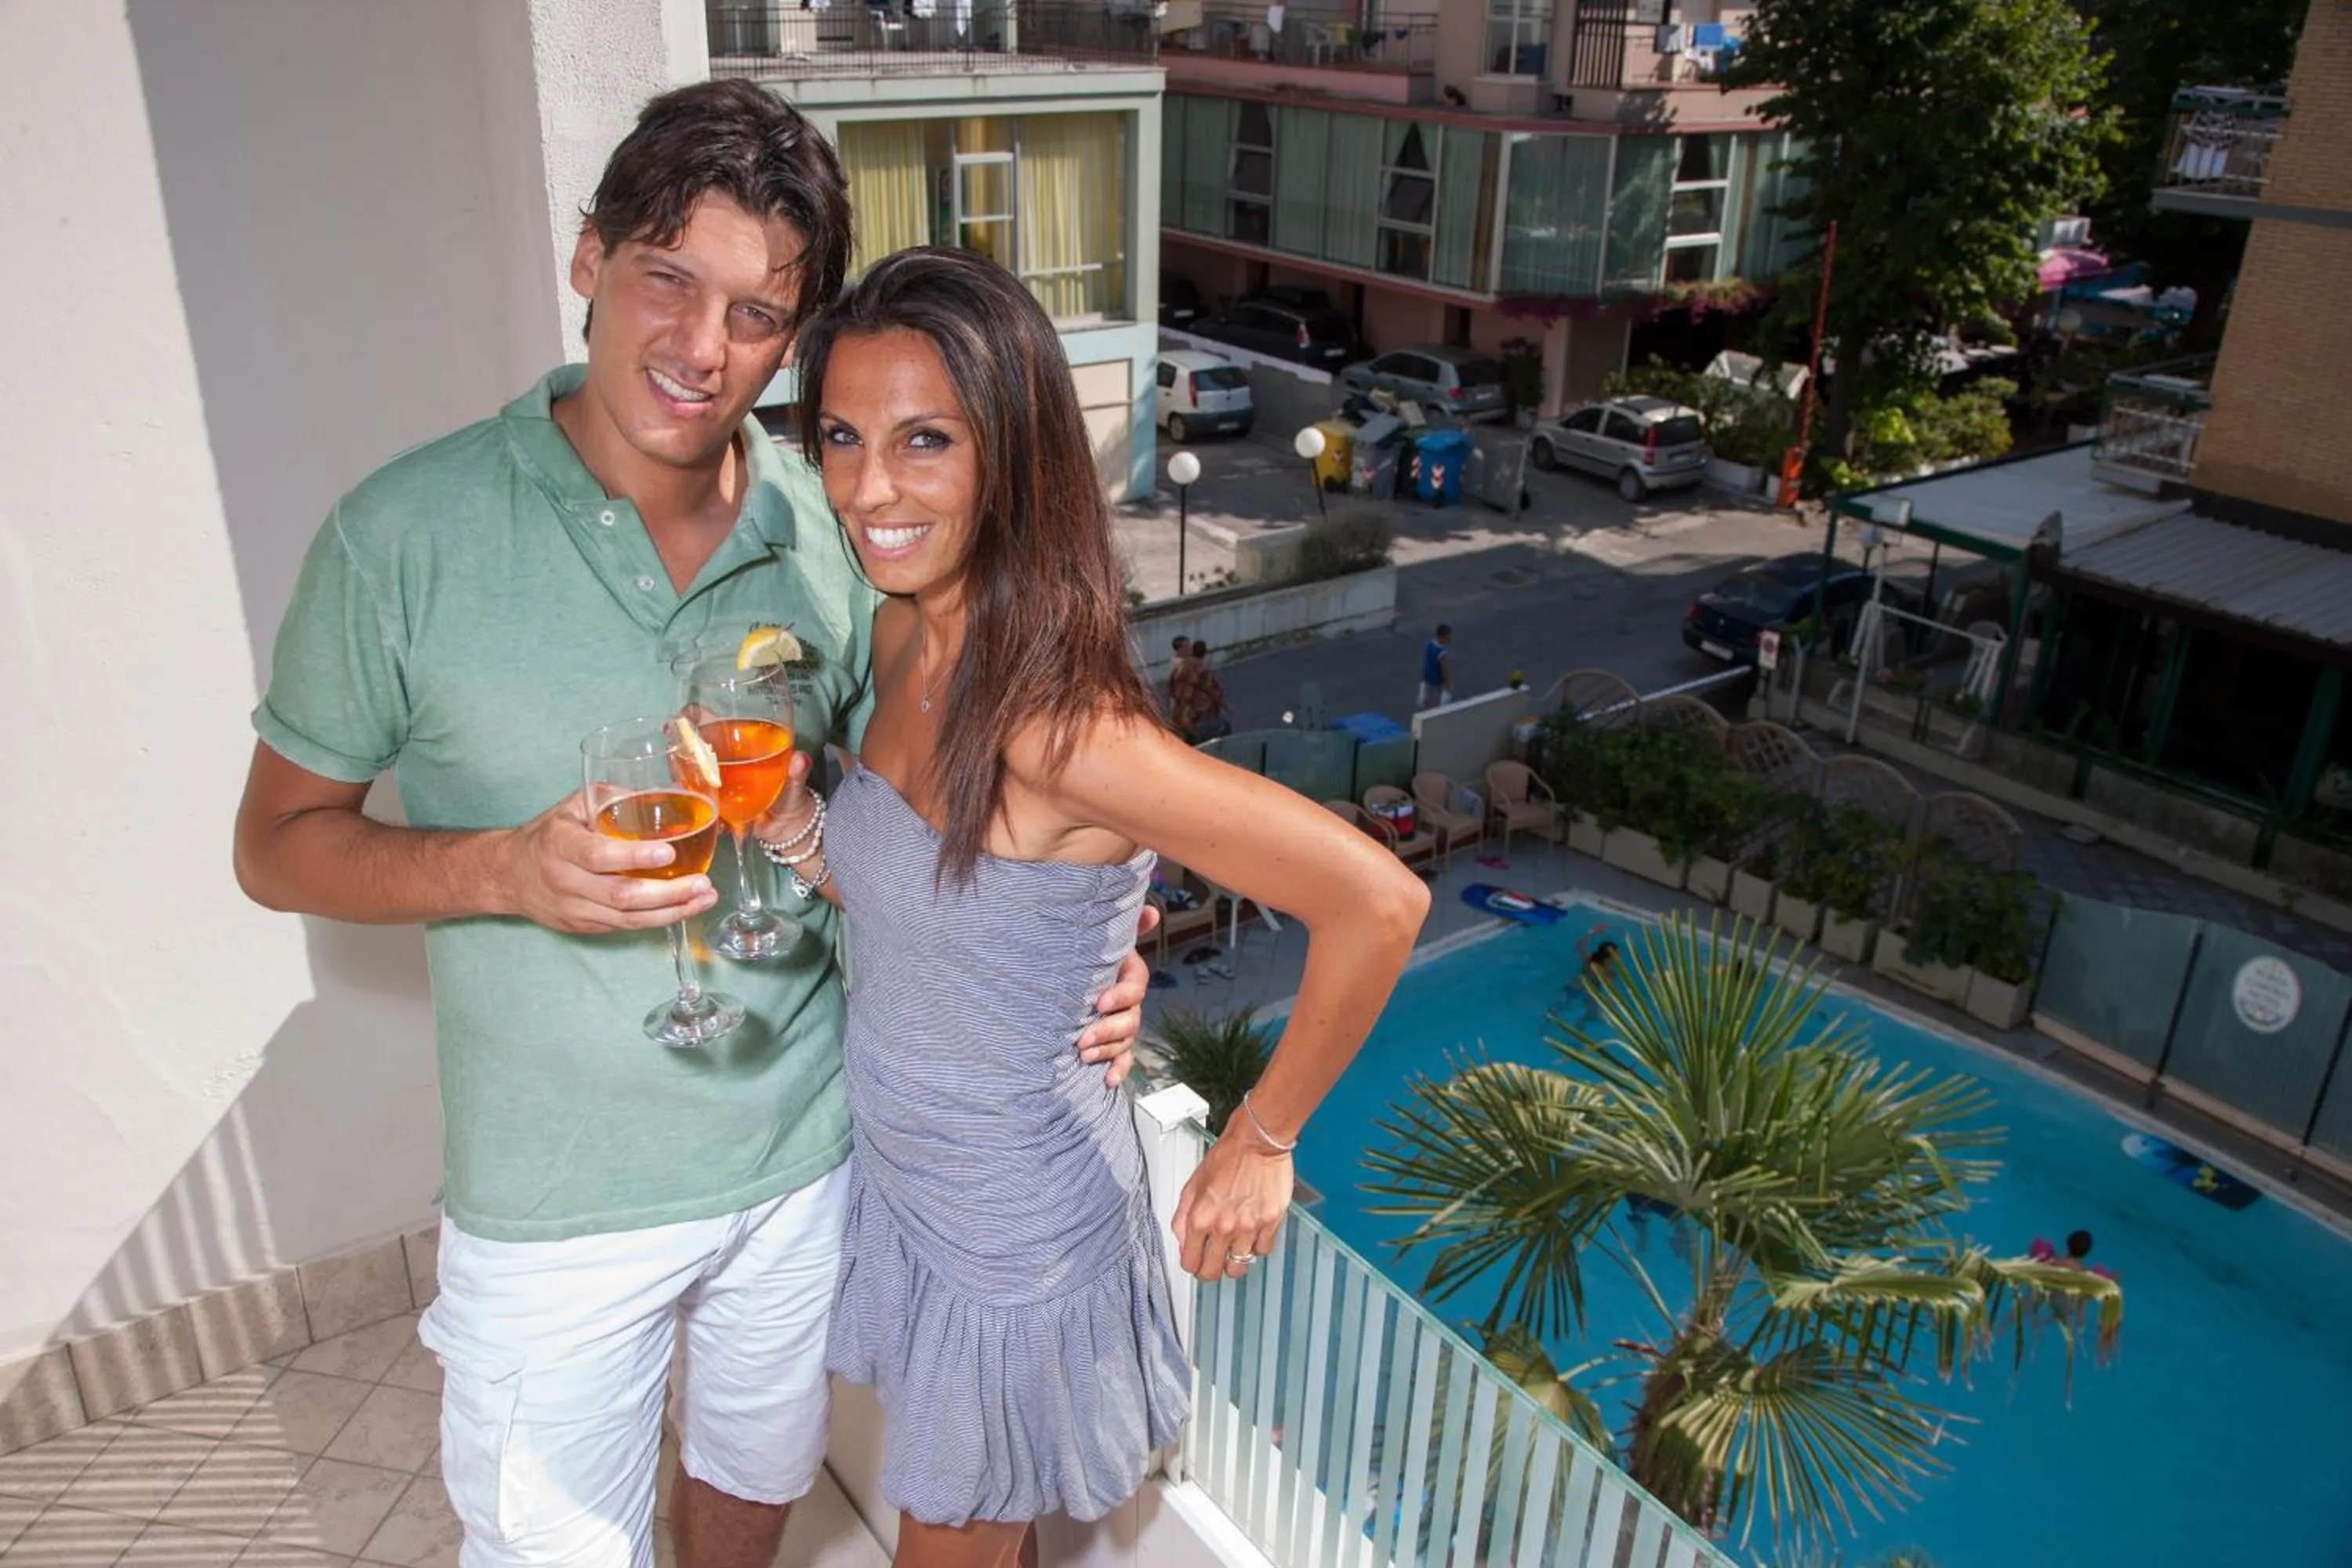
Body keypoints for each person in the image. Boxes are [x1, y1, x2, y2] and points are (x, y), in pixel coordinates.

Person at [233, 83, 1151, 1568]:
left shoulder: (838, 530)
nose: (703, 348)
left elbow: (933, 817)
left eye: (757, 313)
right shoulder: (399, 537)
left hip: (808, 1156)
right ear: (590, 258)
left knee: (750, 1486)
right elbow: (277, 841)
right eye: (670, 279)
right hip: (557, 1199)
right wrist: (499, 869)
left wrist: (1088, 950)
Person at [772, 246, 1428, 1565]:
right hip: (911, 1183)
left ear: (1009, 453)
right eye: (842, 436)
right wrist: (792, 823)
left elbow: (1378, 900)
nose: (866, 486)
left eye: (923, 442)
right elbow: (924, 915)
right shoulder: (905, 633)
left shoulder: (1063, 730)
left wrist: (1261, 1137)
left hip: (1015, 1235)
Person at [1418, 623, 1454, 709]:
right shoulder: (1442, 652)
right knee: (1443, 696)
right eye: (1449, 636)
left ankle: (1425, 711)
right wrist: (1447, 683)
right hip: (1437, 679)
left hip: (1427, 676)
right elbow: (1444, 669)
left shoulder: (1430, 644)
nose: (1450, 639)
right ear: (1442, 637)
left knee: (1426, 697)